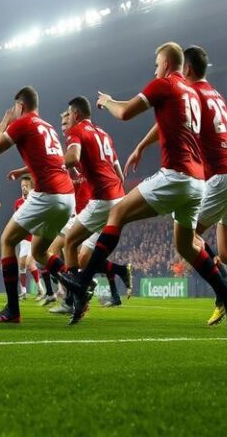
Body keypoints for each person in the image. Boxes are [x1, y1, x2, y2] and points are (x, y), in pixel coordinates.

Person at [58, 42, 227, 329]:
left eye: (157, 63)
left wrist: (106, 101)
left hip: (176, 175)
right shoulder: (191, 92)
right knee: (186, 245)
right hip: (197, 182)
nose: (155, 69)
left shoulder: (164, 84)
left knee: (117, 214)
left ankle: (82, 281)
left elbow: (124, 113)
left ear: (167, 64)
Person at [126, 45, 227, 325]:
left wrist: (143, 144)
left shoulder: (192, 93)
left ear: (185, 69)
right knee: (226, 251)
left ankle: (225, 297)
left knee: (187, 240)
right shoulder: (215, 93)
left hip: (222, 177)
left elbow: (171, 123)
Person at [0, 86, 75, 323]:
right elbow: (52, 160)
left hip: (47, 194)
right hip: (67, 197)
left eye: (14, 107)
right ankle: (78, 288)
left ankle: (13, 310)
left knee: (7, 240)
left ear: (20, 106)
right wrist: (25, 170)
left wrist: (5, 121)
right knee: (39, 252)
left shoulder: (22, 123)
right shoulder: (49, 127)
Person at [63, 96, 132, 311]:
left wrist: (53, 161)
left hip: (102, 198)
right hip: (118, 196)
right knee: (84, 255)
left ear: (75, 114)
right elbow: (120, 174)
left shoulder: (76, 131)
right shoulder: (104, 134)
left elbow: (72, 158)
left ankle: (77, 299)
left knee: (69, 243)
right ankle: (115, 274)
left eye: (68, 115)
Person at [13, 175, 46, 300]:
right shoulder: (17, 203)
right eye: (22, 186)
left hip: (34, 237)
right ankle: (23, 292)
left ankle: (41, 290)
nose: (24, 188)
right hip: (23, 239)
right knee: (21, 264)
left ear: (31, 187)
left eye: (26, 185)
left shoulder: (35, 200)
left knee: (29, 262)